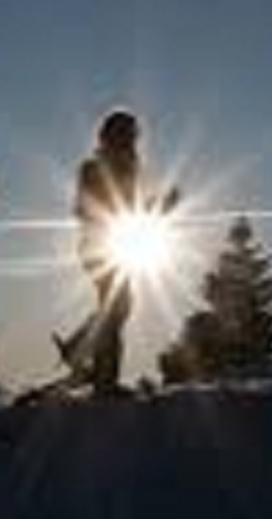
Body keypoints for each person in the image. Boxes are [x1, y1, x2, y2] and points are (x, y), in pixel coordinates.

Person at [53, 109, 179, 396]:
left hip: (116, 245)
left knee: (116, 308)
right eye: (130, 136)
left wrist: (161, 204)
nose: (133, 142)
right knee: (117, 306)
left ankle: (95, 368)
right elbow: (88, 207)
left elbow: (134, 208)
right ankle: (98, 374)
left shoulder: (125, 167)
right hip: (100, 247)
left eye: (133, 137)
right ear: (115, 137)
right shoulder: (96, 167)